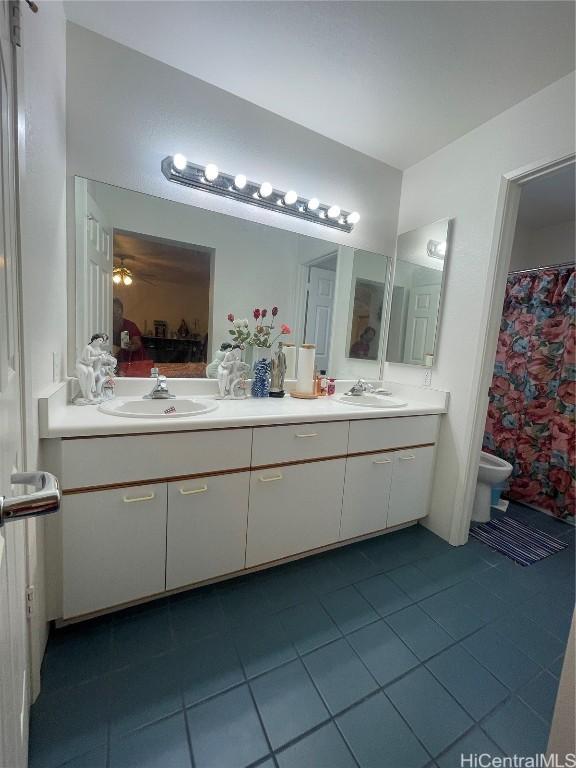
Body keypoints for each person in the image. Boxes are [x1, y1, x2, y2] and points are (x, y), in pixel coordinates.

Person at [112, 297, 144, 362]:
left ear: (122, 311)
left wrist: (131, 346)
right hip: (117, 361)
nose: (115, 313)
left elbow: (137, 343)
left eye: (118, 310)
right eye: (113, 310)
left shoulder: (130, 325)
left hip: (134, 361)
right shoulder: (106, 326)